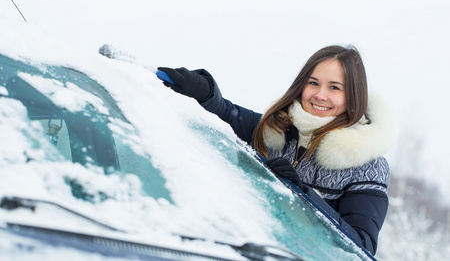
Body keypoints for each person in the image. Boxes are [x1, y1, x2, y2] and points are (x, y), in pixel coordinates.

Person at [158, 45, 395, 255]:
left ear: (353, 95)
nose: (320, 95)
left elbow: (360, 248)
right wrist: (204, 91)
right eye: (313, 83)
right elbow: (227, 113)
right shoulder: (279, 130)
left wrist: (303, 194)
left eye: (334, 87)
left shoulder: (367, 165)